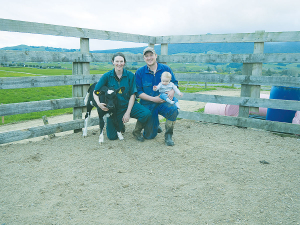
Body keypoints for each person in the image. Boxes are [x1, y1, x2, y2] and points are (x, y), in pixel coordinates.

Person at [93, 52, 151, 141]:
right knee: (112, 137)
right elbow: (95, 91)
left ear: (124, 62)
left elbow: (133, 94)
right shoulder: (107, 76)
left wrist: (128, 113)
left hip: (130, 105)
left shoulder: (130, 75)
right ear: (113, 62)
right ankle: (121, 125)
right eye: (117, 61)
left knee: (146, 113)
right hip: (115, 109)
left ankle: (137, 131)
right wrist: (99, 104)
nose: (119, 64)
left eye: (121, 61)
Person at [134, 47, 179, 146]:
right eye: (146, 56)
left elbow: (175, 83)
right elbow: (138, 92)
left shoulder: (165, 69)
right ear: (144, 58)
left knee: (173, 109)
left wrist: (172, 91)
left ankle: (168, 135)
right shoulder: (140, 72)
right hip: (148, 104)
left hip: (163, 102)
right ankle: (154, 124)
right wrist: (153, 99)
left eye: (151, 55)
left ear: (156, 56)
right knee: (149, 136)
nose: (149, 58)